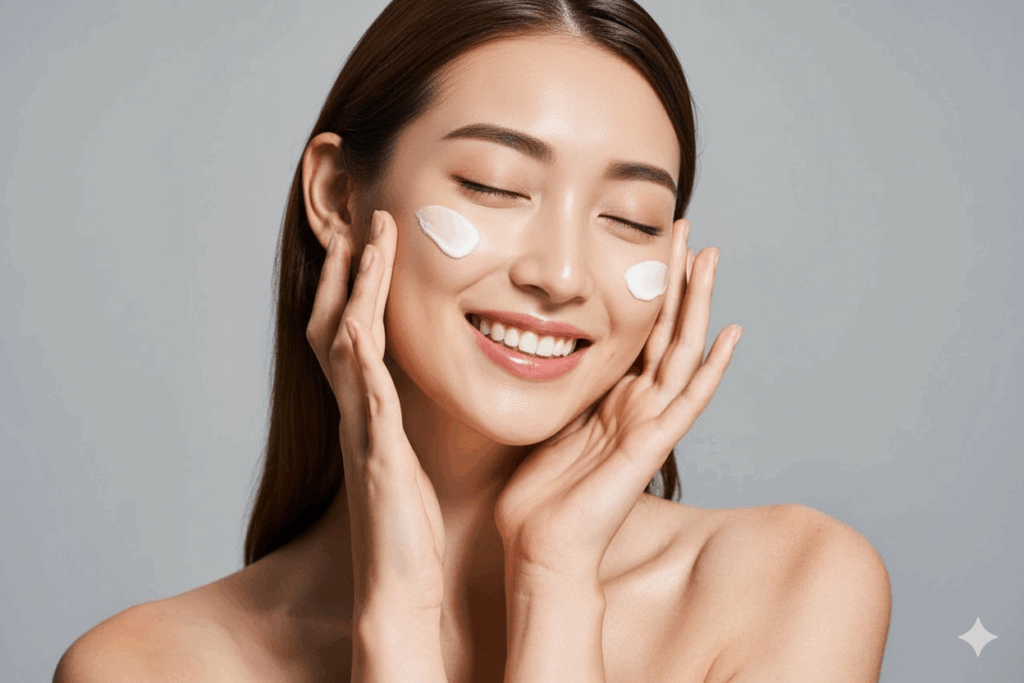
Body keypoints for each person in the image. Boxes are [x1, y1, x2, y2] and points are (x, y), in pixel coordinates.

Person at [54, 1, 892, 681]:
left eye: (629, 219)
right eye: (496, 187)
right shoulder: (144, 666)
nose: (562, 274)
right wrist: (399, 624)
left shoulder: (790, 587)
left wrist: (556, 582)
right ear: (339, 195)